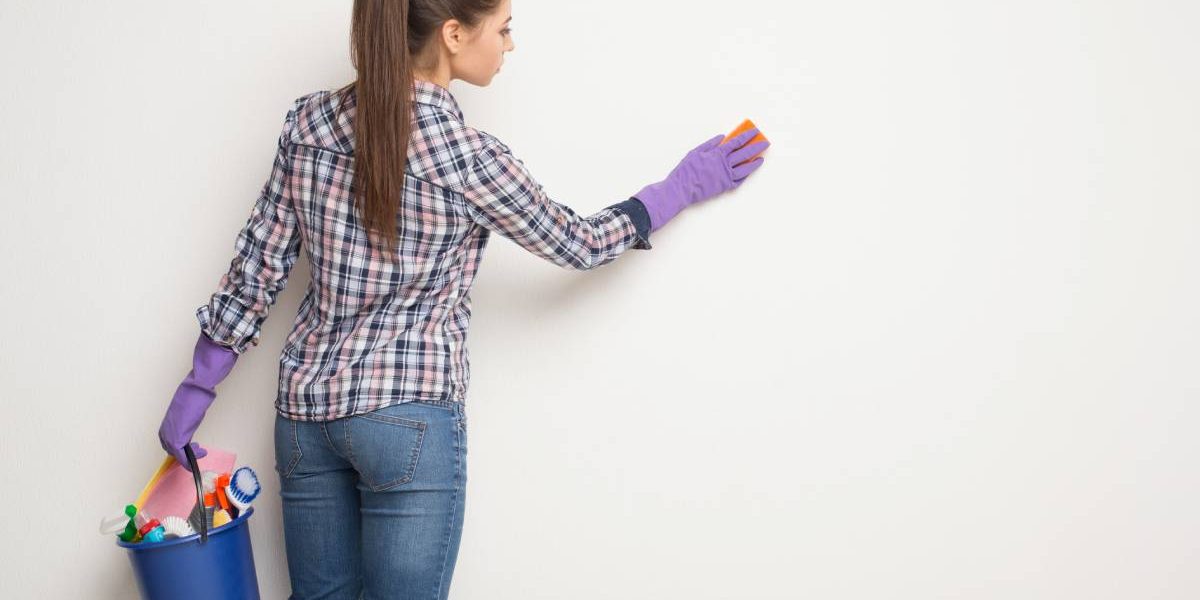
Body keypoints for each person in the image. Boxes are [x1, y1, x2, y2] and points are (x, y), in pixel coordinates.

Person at [156, 0, 769, 597]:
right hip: (409, 417)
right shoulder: (468, 159)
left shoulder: (308, 125)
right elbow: (577, 243)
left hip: (305, 417)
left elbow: (257, 268)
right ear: (453, 33)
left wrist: (197, 390)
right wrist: (677, 188)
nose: (509, 45)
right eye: (503, 28)